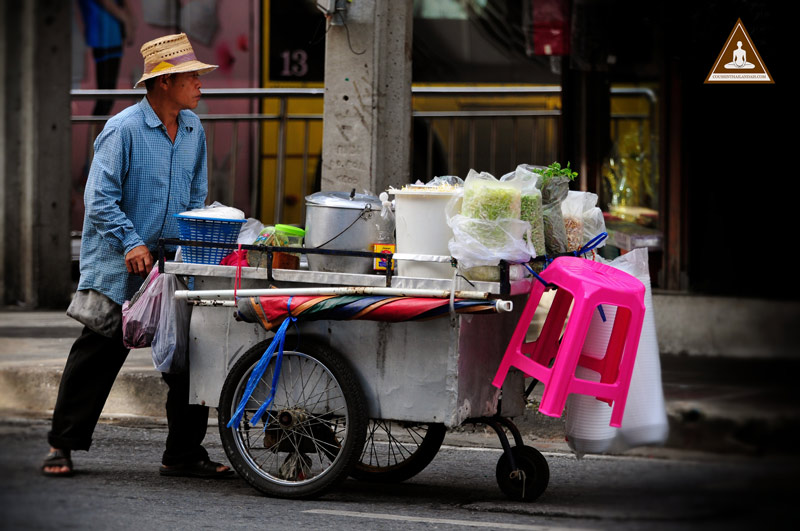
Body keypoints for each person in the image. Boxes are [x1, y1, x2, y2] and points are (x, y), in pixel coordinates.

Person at [43, 33, 231, 479]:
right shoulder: (123, 129)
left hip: (170, 265)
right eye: (191, 77)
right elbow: (99, 197)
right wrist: (130, 242)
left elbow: (197, 196)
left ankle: (182, 454)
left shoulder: (193, 129)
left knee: (186, 357)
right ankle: (61, 445)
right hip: (119, 265)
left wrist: (195, 247)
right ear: (164, 82)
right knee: (97, 354)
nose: (200, 84)